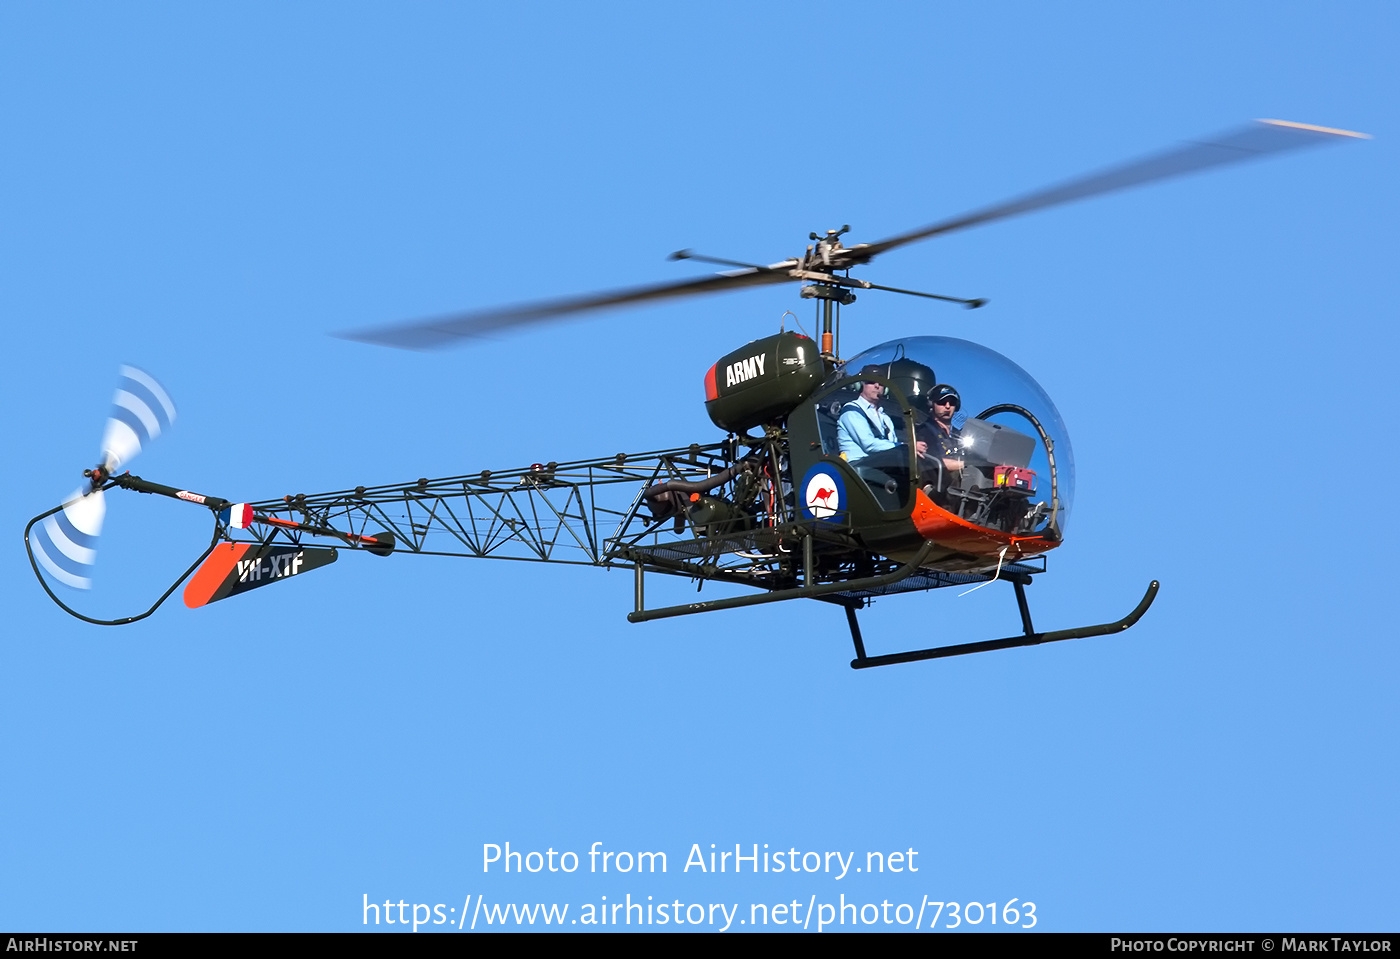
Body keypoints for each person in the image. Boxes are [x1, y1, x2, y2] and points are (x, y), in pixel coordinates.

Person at [837, 379, 927, 464]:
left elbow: (892, 446)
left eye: (881, 384)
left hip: (878, 467)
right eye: (871, 382)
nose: (877, 386)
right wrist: (907, 447)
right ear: (861, 385)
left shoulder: (885, 418)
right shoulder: (852, 410)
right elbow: (869, 444)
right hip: (855, 468)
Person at [917, 383, 964, 495]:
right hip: (940, 486)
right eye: (942, 403)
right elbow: (933, 462)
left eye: (952, 403)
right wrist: (967, 465)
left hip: (962, 483)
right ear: (931, 405)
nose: (947, 406)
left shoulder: (961, 434)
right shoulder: (924, 431)